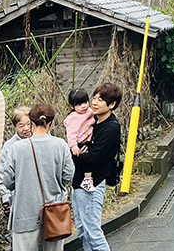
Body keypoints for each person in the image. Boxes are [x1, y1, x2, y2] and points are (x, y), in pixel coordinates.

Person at [0, 104, 74, 251]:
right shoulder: (61, 145)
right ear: (51, 123)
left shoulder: (16, 148)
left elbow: (7, 180)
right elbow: (68, 175)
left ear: (31, 122)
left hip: (24, 213)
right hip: (54, 212)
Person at [71, 83, 122, 251]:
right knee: (82, 231)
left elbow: (92, 158)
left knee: (92, 230)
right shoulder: (92, 121)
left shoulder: (111, 128)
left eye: (101, 100)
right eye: (94, 97)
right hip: (78, 182)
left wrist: (72, 154)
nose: (94, 102)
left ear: (112, 104)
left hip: (93, 184)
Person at [0, 107, 32, 211]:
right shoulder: (9, 146)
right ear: (15, 127)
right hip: (17, 197)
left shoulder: (40, 140)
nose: (26, 128)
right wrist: (6, 198)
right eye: (21, 126)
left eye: (29, 124)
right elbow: (2, 174)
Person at [63, 89, 96, 191]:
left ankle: (88, 180)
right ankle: (87, 181)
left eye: (85, 102)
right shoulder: (73, 118)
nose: (84, 106)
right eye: (79, 104)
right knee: (87, 161)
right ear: (72, 106)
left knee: (91, 160)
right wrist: (74, 147)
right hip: (80, 143)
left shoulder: (90, 111)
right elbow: (71, 135)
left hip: (89, 139)